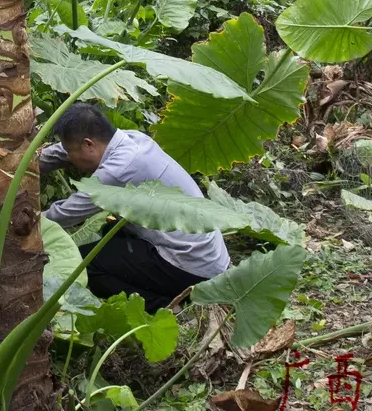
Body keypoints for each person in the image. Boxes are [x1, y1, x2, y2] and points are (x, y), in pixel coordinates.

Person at [39, 102, 229, 313]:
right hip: (207, 254)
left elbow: (66, 214)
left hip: (191, 265)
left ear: (88, 144)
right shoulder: (129, 140)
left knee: (84, 266)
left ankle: (164, 306)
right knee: (109, 231)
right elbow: (60, 153)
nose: (69, 156)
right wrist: (23, 163)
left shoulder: (121, 168)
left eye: (70, 150)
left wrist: (21, 223)